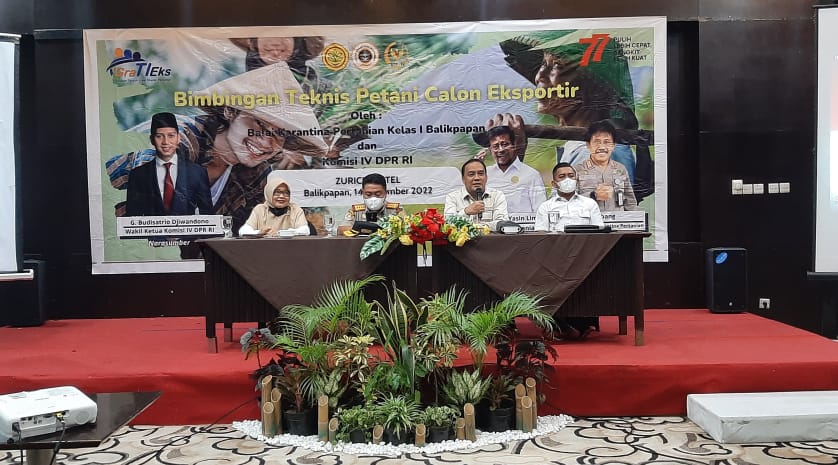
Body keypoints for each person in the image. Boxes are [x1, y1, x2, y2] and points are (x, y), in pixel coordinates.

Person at [106, 62, 328, 235]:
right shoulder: (180, 137)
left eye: (280, 134)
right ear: (231, 112)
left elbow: (269, 224)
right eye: (259, 125)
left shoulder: (255, 174)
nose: (265, 142)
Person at [125, 112, 212, 216]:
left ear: (178, 138)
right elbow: (132, 218)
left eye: (171, 136)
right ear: (152, 140)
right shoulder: (138, 175)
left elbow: (208, 215)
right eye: (159, 136)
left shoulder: (197, 172)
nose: (166, 142)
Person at [480, 125, 546, 215]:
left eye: (505, 144)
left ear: (514, 145)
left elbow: (541, 212)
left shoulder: (531, 175)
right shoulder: (485, 174)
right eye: (495, 146)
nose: (501, 150)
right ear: (490, 150)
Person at [573, 120, 637, 212]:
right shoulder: (577, 170)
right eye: (597, 142)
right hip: (589, 220)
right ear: (588, 145)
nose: (602, 147)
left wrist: (635, 218)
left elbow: (630, 203)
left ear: (613, 145)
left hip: (617, 220)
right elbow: (569, 202)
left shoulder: (621, 169)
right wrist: (593, 195)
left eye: (607, 142)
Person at [534, 162, 604, 232]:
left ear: (577, 181)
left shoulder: (590, 204)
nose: (567, 179)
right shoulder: (545, 207)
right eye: (562, 176)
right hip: (557, 239)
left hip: (584, 239)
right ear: (554, 184)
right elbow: (541, 233)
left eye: (571, 176)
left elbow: (599, 231)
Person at [444, 158, 508, 231]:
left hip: (491, 238)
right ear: (463, 179)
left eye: (480, 174)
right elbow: (448, 223)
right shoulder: (453, 197)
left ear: (486, 177)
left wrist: (476, 227)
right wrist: (466, 212)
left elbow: (502, 223)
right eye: (471, 174)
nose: (477, 178)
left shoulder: (497, 196)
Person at [238, 175, 309, 237]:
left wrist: (280, 233)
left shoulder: (295, 209)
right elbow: (243, 231)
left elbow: (305, 230)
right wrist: (259, 232)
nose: (282, 196)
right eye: (277, 192)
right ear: (269, 193)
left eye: (286, 193)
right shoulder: (260, 209)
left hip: (288, 247)